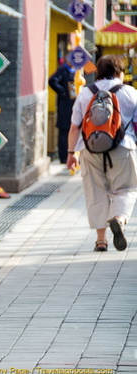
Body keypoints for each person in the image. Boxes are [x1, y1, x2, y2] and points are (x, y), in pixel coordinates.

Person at [66, 54, 137, 252]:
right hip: (123, 147)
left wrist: (72, 153)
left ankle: (101, 240)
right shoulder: (130, 92)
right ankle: (119, 219)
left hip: (90, 149)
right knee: (126, 188)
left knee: (95, 192)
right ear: (119, 72)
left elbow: (74, 127)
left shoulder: (85, 93)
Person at [49, 58, 77, 164]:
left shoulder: (76, 71)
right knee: (64, 130)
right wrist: (63, 92)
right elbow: (52, 81)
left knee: (73, 128)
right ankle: (63, 156)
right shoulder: (63, 70)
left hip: (73, 104)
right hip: (64, 105)